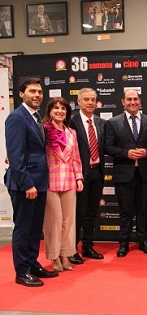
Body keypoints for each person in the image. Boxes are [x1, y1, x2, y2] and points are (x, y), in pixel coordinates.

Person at [5, 78, 58, 287]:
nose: (37, 95)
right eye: (32, 91)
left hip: (40, 183)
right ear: (21, 94)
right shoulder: (17, 118)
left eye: (39, 92)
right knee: (24, 228)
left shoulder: (36, 118)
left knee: (36, 229)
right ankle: (22, 271)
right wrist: (27, 184)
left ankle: (32, 263)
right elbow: (16, 156)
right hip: (25, 185)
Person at [105, 90, 147, 257]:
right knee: (125, 211)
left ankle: (143, 240)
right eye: (129, 99)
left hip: (145, 174)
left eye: (135, 99)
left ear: (140, 101)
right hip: (123, 174)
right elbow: (108, 148)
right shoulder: (113, 123)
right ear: (123, 101)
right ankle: (124, 243)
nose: (132, 102)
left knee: (144, 209)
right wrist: (126, 153)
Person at [42, 98, 83, 272]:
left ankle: (66, 254)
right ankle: (54, 256)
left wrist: (79, 177)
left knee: (69, 221)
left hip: (69, 179)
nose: (59, 111)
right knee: (54, 221)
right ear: (49, 112)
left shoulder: (71, 132)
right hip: (50, 179)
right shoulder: (43, 130)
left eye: (63, 109)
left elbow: (76, 157)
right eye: (56, 108)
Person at [68, 88, 106, 264]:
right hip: (79, 174)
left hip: (97, 171)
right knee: (79, 213)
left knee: (92, 212)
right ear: (78, 102)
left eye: (92, 100)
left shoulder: (100, 123)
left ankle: (88, 246)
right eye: (86, 100)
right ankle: (71, 250)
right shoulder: (71, 122)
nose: (90, 102)